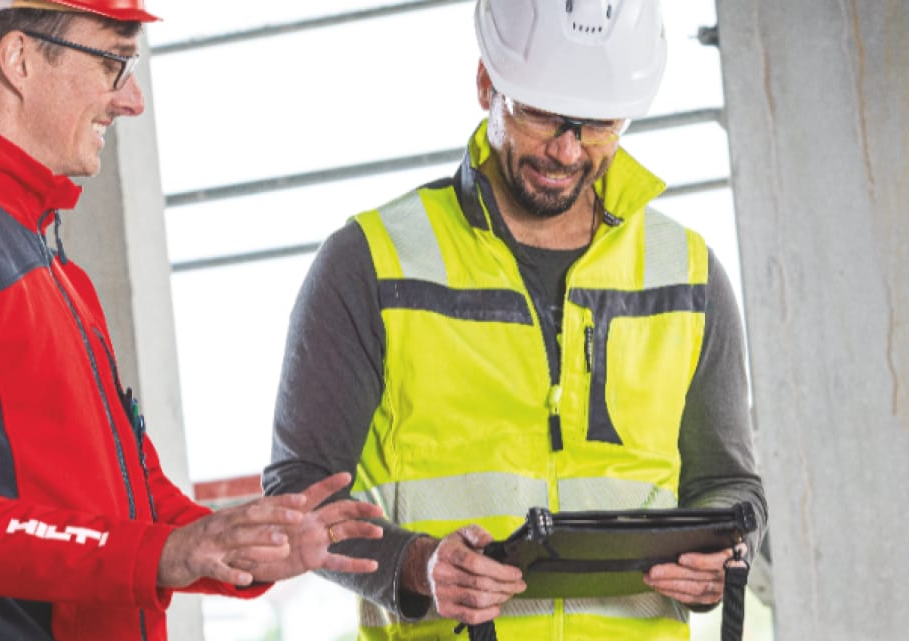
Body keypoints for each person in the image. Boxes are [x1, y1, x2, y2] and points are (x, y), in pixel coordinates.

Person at [0, 1, 383, 638]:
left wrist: (235, 543)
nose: (131, 100)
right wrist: (161, 555)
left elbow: (129, 496)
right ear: (20, 58)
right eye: (114, 63)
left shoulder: (37, 253)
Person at [262, 0, 767, 639]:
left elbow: (729, 487)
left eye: (598, 124)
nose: (565, 148)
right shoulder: (371, 263)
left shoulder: (687, 273)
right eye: (539, 112)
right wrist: (415, 565)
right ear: (486, 84)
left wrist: (719, 557)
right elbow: (301, 492)